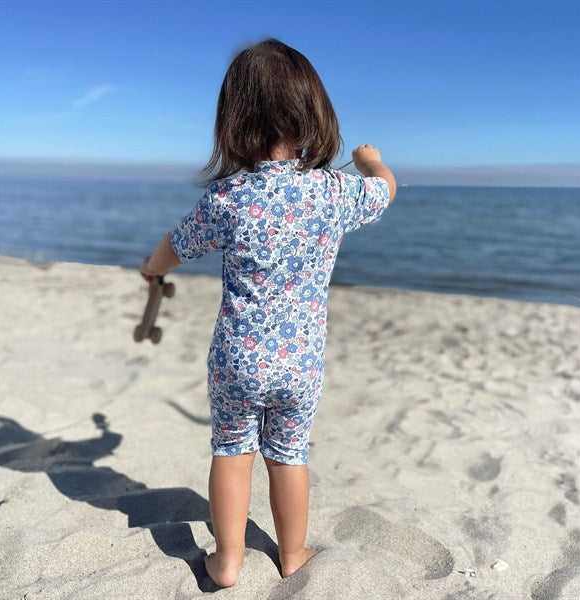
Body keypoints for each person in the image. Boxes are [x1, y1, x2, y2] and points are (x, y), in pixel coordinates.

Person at [139, 38, 397, 588]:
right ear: (314, 115)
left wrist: (149, 268)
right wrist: (371, 161)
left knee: (232, 451)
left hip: (237, 358)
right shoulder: (334, 192)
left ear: (233, 122)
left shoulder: (228, 198)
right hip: (300, 362)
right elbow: (384, 190)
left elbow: (174, 247)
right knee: (289, 455)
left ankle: (228, 561)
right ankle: (293, 553)